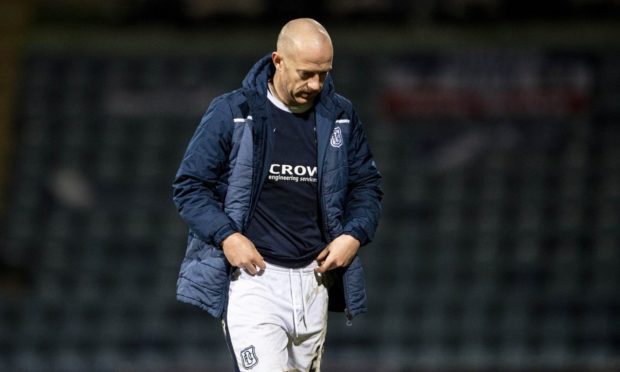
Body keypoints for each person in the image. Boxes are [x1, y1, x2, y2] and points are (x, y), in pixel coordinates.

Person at [172, 18, 382, 371]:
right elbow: (189, 185)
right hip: (254, 282)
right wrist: (227, 236)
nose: (316, 84)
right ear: (278, 61)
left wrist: (354, 234)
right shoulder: (232, 112)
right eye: (306, 74)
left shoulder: (341, 116)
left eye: (324, 74)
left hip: (314, 281)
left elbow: (366, 185)